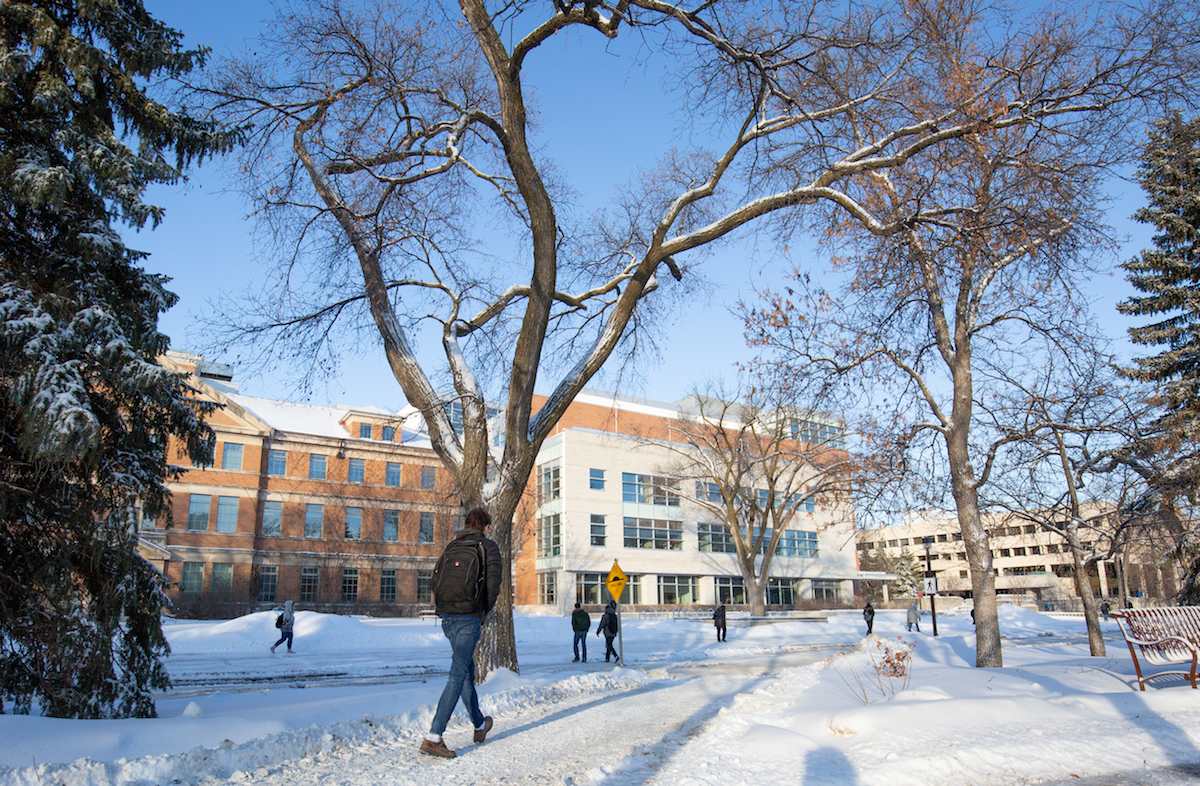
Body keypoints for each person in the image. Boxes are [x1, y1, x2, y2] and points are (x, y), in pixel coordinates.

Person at [420, 507, 502, 760]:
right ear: (486, 526)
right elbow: (493, 586)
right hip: (469, 617)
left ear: (467, 525)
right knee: (457, 674)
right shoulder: (488, 547)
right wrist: (482, 611)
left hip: (447, 617)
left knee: (465, 670)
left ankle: (479, 725)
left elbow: (435, 580)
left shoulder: (452, 547)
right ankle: (434, 737)